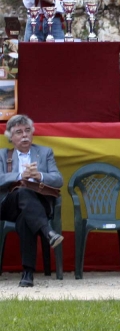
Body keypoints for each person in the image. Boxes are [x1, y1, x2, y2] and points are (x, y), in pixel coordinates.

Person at [0, 114, 63, 287]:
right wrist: (21, 176)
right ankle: (48, 232)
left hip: (39, 203)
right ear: (11, 138)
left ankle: (27, 273)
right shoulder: (3, 155)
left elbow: (58, 180)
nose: (25, 135)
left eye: (28, 131)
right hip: (9, 204)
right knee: (23, 192)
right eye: (19, 132)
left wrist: (39, 175)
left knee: (25, 219)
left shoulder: (45, 152)